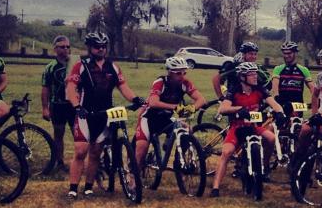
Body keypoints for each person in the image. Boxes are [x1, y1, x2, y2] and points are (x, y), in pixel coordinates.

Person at [65, 32, 141, 199]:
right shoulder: (81, 66)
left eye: (103, 47)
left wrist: (135, 99)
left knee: (95, 152)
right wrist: (77, 106)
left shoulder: (112, 67)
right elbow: (71, 88)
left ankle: (89, 187)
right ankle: (72, 188)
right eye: (97, 46)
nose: (100, 49)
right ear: (90, 48)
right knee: (80, 151)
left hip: (105, 114)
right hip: (85, 113)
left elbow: (123, 87)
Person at [212, 61, 279, 196]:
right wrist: (238, 109)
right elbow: (222, 108)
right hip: (237, 128)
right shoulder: (234, 90)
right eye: (251, 74)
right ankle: (215, 187)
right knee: (226, 152)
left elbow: (274, 103)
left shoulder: (259, 89)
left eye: (255, 73)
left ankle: (264, 165)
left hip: (254, 127)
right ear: (242, 77)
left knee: (271, 138)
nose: (255, 76)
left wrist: (280, 112)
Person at [135, 56, 205, 172]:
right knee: (141, 149)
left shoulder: (185, 83)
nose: (182, 76)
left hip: (166, 118)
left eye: (184, 73)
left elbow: (201, 100)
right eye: (178, 73)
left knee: (188, 130)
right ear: (170, 73)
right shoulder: (160, 82)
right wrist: (175, 107)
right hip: (149, 118)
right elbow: (153, 102)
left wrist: (190, 109)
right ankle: (132, 175)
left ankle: (178, 159)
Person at [41, 35, 74, 170]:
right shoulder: (50, 67)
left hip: (73, 105)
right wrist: (45, 108)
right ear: (55, 49)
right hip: (57, 105)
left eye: (67, 47)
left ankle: (80, 161)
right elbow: (45, 89)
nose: (65, 49)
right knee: (58, 133)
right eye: (62, 47)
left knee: (78, 134)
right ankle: (59, 161)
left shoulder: (75, 65)